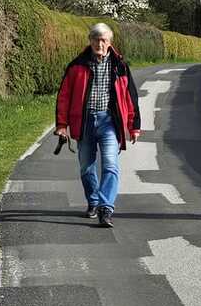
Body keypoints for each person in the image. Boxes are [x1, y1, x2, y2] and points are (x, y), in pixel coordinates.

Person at [54, 23, 141, 228]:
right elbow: (64, 96)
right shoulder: (77, 65)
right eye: (96, 39)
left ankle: (105, 208)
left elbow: (130, 97)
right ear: (90, 41)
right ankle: (93, 201)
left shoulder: (120, 66)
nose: (99, 44)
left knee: (110, 165)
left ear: (110, 43)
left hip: (109, 122)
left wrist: (133, 126)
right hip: (84, 122)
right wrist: (62, 124)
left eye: (103, 40)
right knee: (86, 167)